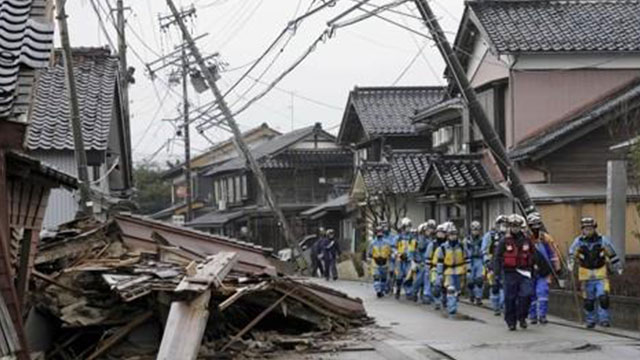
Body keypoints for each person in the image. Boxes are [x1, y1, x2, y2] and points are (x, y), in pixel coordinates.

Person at [568, 217, 622, 328]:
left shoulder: (602, 240)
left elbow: (612, 254)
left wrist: (617, 266)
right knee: (589, 301)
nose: (588, 231)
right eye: (586, 228)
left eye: (590, 228)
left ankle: (604, 319)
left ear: (594, 228)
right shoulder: (578, 242)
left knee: (603, 298)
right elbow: (572, 254)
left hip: (601, 273)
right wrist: (570, 263)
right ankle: (590, 319)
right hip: (585, 275)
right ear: (582, 229)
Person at [496, 214, 535, 331]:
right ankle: (511, 321)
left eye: (517, 226)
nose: (515, 228)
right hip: (509, 272)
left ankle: (522, 317)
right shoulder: (504, 241)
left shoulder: (527, 240)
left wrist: (536, 268)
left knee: (527, 294)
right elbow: (497, 257)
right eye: (512, 226)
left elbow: (534, 255)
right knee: (510, 298)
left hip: (525, 272)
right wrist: (496, 273)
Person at [527, 212, 561, 325]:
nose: (536, 227)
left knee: (542, 293)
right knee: (531, 294)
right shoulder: (526, 238)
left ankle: (542, 315)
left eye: (537, 224)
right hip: (529, 271)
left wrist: (557, 267)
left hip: (544, 271)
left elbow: (553, 253)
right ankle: (532, 316)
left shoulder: (546, 238)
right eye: (533, 224)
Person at [435, 222, 469, 316]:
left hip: (459, 271)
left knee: (457, 291)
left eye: (454, 234)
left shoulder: (461, 246)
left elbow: (467, 259)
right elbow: (440, 262)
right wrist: (439, 274)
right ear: (448, 235)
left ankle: (451, 302)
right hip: (448, 271)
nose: (453, 237)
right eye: (451, 234)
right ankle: (452, 309)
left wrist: (468, 271)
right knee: (450, 290)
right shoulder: (443, 248)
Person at [482, 215, 508, 316]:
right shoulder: (490, 236)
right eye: (501, 224)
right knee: (495, 286)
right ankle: (496, 306)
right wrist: (487, 262)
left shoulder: (510, 237)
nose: (503, 226)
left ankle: (504, 305)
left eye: (505, 224)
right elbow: (484, 250)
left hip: (506, 264)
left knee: (505, 285)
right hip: (493, 264)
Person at [427, 223, 448, 309]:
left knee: (445, 286)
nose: (440, 234)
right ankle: (437, 302)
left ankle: (445, 301)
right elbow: (428, 257)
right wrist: (427, 269)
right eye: (439, 232)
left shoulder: (447, 245)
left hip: (446, 268)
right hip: (434, 267)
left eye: (442, 232)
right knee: (436, 286)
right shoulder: (432, 244)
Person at [368, 226, 392, 298]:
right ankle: (378, 291)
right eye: (378, 232)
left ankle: (382, 290)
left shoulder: (387, 242)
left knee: (384, 278)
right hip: (376, 262)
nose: (379, 233)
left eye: (380, 231)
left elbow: (390, 252)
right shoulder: (372, 243)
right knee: (377, 277)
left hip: (385, 262)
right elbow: (370, 253)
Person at [465, 221, 484, 305]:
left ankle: (478, 297)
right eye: (474, 230)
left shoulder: (482, 239)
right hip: (469, 260)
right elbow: (465, 251)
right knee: (470, 281)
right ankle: (471, 295)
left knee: (479, 280)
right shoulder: (467, 240)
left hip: (479, 260)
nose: (475, 231)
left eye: (477, 230)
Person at [394, 217, 412, 299]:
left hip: (408, 259)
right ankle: (398, 289)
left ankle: (408, 292)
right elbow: (393, 247)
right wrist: (398, 254)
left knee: (408, 275)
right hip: (399, 259)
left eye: (409, 226)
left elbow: (413, 248)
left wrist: (409, 255)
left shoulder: (412, 237)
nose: (408, 229)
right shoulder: (398, 237)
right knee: (399, 276)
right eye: (406, 227)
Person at [420, 220, 437, 304]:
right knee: (426, 277)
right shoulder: (423, 237)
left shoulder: (435, 238)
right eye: (430, 228)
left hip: (435, 260)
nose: (431, 230)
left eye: (432, 228)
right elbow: (420, 247)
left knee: (433, 279)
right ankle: (426, 294)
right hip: (425, 260)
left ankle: (434, 296)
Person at [382, 221, 396, 294]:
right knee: (382, 273)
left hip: (390, 258)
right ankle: (383, 287)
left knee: (391, 272)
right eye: (383, 227)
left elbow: (394, 246)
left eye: (386, 227)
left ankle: (390, 287)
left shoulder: (392, 236)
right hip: (381, 258)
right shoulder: (379, 237)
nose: (385, 228)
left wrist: (393, 252)